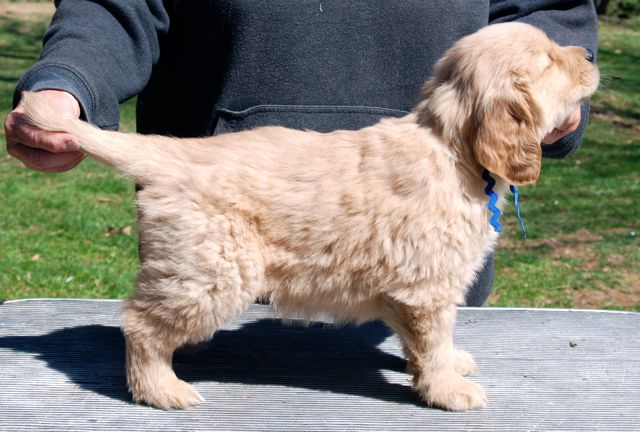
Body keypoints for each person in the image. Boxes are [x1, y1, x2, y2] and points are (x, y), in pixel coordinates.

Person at [4, 0, 598, 306]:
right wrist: (72, 79)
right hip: (230, 246)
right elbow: (117, 6)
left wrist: (556, 91)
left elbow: (542, 10)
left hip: (426, 281)